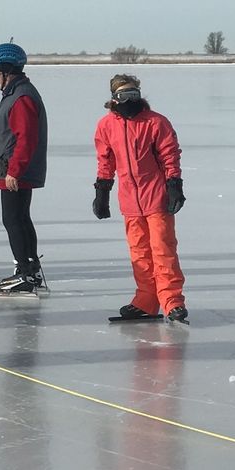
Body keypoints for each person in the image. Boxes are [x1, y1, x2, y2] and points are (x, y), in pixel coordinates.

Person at [92, 74, 188, 323]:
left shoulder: (156, 122)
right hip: (130, 201)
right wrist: (102, 192)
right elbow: (105, 160)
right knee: (140, 254)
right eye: (125, 95)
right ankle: (146, 301)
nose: (130, 100)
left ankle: (172, 302)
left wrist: (174, 184)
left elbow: (170, 155)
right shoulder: (106, 125)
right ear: (114, 98)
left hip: (157, 197)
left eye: (134, 94)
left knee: (163, 250)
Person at [0, 42, 49, 296]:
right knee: (20, 218)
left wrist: (14, 172)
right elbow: (12, 134)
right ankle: (30, 268)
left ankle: (25, 273)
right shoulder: (16, 94)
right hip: (15, 171)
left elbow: (26, 139)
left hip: (15, 174)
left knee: (13, 219)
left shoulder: (21, 97)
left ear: (8, 71)